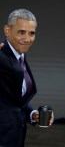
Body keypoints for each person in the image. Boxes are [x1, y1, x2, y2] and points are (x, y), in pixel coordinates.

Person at [0, 9, 54, 147]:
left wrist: (32, 114)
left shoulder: (20, 56)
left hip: (15, 137)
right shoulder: (1, 56)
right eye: (21, 32)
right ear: (7, 30)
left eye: (31, 33)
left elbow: (13, 99)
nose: (27, 39)